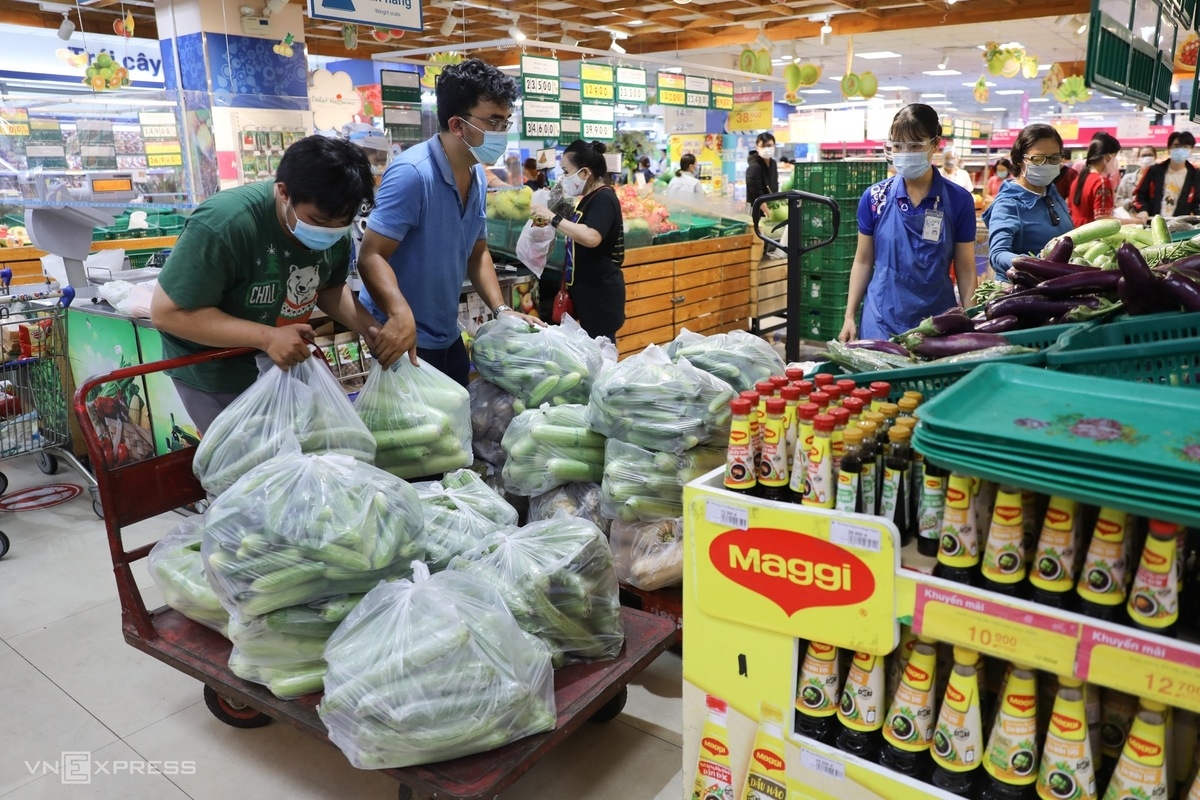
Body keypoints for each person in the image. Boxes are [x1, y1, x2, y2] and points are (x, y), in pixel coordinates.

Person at [149, 135, 381, 433]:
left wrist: (369, 328)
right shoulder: (226, 224)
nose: (330, 233)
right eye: (319, 221)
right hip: (217, 371)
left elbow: (329, 288)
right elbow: (167, 313)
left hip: (283, 362)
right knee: (248, 468)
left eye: (342, 224)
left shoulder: (335, 226)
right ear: (283, 192)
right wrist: (267, 337)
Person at [356, 58, 539, 387]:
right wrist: (399, 313)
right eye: (494, 122)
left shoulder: (477, 175)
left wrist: (501, 309)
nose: (503, 133)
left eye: (506, 122)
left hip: (447, 334)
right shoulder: (413, 174)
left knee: (460, 429)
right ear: (457, 125)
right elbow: (371, 256)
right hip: (402, 337)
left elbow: (477, 252)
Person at [838, 104, 977, 342]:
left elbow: (965, 267)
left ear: (936, 144)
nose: (905, 153)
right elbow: (863, 260)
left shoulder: (958, 200)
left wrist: (972, 318)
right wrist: (849, 316)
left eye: (915, 146)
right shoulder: (874, 198)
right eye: (898, 146)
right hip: (881, 318)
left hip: (938, 322)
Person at [530, 140, 625, 345]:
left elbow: (592, 237)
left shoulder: (604, 198)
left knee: (602, 355)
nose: (564, 178)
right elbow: (577, 229)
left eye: (566, 171)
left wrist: (553, 218)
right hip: (586, 293)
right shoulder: (588, 198)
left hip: (600, 295)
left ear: (584, 173)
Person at [982, 124, 1074, 281]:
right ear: (1019, 160)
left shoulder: (1051, 191)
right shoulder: (1009, 203)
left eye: (1054, 158)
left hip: (1057, 287)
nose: (1047, 165)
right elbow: (998, 254)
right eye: (1038, 159)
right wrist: (1034, 264)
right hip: (1022, 293)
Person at [1133, 132, 1199, 218]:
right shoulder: (1154, 171)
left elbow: (1197, 202)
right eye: (1176, 146)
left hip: (1180, 225)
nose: (1180, 150)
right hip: (1152, 221)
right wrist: (1142, 210)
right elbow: (1139, 195)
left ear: (1191, 149)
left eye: (1185, 147)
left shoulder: (1195, 175)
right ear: (1169, 148)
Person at [1067, 132, 1121, 227]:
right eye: (1115, 156)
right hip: (1092, 235)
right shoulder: (1102, 181)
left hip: (1075, 230)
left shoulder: (1078, 180)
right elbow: (1103, 219)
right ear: (1106, 157)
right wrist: (1135, 222)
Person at [746, 131, 779, 220]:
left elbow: (775, 186)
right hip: (757, 213)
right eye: (763, 146)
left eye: (769, 145)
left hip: (772, 209)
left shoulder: (773, 164)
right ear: (757, 147)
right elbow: (757, 195)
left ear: (774, 146)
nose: (766, 149)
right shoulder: (754, 167)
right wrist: (768, 213)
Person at [1116, 145, 1156, 211]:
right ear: (1138, 158)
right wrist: (1130, 202)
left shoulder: (1160, 178)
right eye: (1143, 156)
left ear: (1155, 157)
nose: (1146, 158)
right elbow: (1118, 201)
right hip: (1132, 217)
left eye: (1150, 155)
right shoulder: (1127, 179)